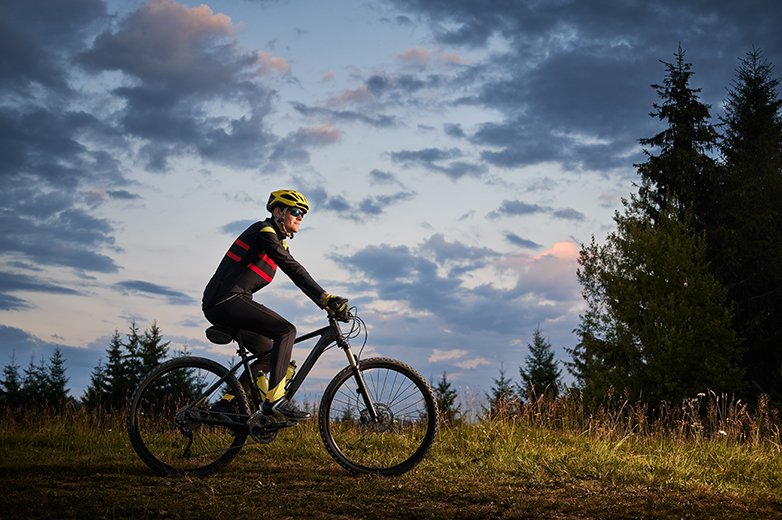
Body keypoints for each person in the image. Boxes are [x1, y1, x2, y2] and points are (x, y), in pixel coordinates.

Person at [202, 189, 349, 421]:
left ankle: (226, 403)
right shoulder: (264, 231)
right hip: (225, 300)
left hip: (230, 302)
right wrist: (325, 297)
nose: (300, 217)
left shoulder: (277, 241)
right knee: (286, 330)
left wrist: (325, 304)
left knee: (269, 353)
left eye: (303, 214)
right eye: (296, 211)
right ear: (278, 212)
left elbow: (296, 273)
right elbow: (291, 267)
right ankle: (276, 399)